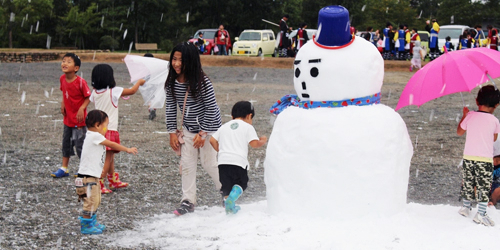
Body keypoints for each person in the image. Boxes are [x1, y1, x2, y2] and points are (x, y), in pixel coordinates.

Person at [165, 42, 222, 216]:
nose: (176, 64)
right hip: (189, 128)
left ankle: (226, 190)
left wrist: (203, 133)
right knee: (187, 164)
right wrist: (172, 132)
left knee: (209, 163)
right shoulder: (172, 82)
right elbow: (170, 107)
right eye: (174, 59)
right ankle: (188, 200)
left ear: (190, 61)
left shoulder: (202, 82)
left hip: (210, 127)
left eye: (180, 60)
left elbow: (211, 108)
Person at [75, 110, 138, 234]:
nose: (106, 128)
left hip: (90, 178)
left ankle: (92, 222)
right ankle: (86, 226)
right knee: (90, 202)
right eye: (106, 125)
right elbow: (112, 144)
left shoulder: (91, 135)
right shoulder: (95, 136)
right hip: (87, 179)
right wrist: (127, 149)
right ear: (97, 125)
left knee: (95, 200)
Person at [90, 64, 145, 194]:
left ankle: (113, 180)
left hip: (99, 131)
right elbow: (132, 91)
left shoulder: (95, 93)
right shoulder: (113, 91)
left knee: (109, 157)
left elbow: (90, 99)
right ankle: (100, 182)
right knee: (107, 159)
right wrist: (139, 82)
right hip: (110, 131)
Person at [209, 101, 267, 214]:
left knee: (226, 186)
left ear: (232, 116)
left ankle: (229, 207)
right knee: (241, 183)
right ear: (249, 116)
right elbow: (254, 144)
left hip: (223, 162)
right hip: (238, 162)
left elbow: (212, 140)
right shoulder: (247, 127)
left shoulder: (224, 127)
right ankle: (232, 200)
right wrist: (262, 141)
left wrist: (221, 150)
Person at [457, 85, 500, 227]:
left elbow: (460, 132)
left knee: (468, 182)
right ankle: (481, 214)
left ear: (477, 101)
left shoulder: (470, 116)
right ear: (496, 105)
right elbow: (494, 138)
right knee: (483, 186)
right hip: (485, 160)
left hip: (468, 157)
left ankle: (465, 207)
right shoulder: (494, 120)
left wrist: (464, 115)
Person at [51, 53, 91, 178]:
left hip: (79, 120)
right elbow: (64, 92)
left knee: (80, 145)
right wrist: (63, 103)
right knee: (66, 143)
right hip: (67, 118)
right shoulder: (62, 79)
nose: (65, 63)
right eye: (63, 61)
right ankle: (64, 168)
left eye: (69, 62)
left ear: (76, 68)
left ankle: (84, 169)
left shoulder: (80, 82)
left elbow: (88, 97)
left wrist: (82, 108)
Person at [143, 53, 157, 120]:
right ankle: (152, 108)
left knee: (149, 98)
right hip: (154, 85)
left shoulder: (145, 67)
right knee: (153, 98)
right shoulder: (154, 66)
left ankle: (151, 109)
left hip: (148, 85)